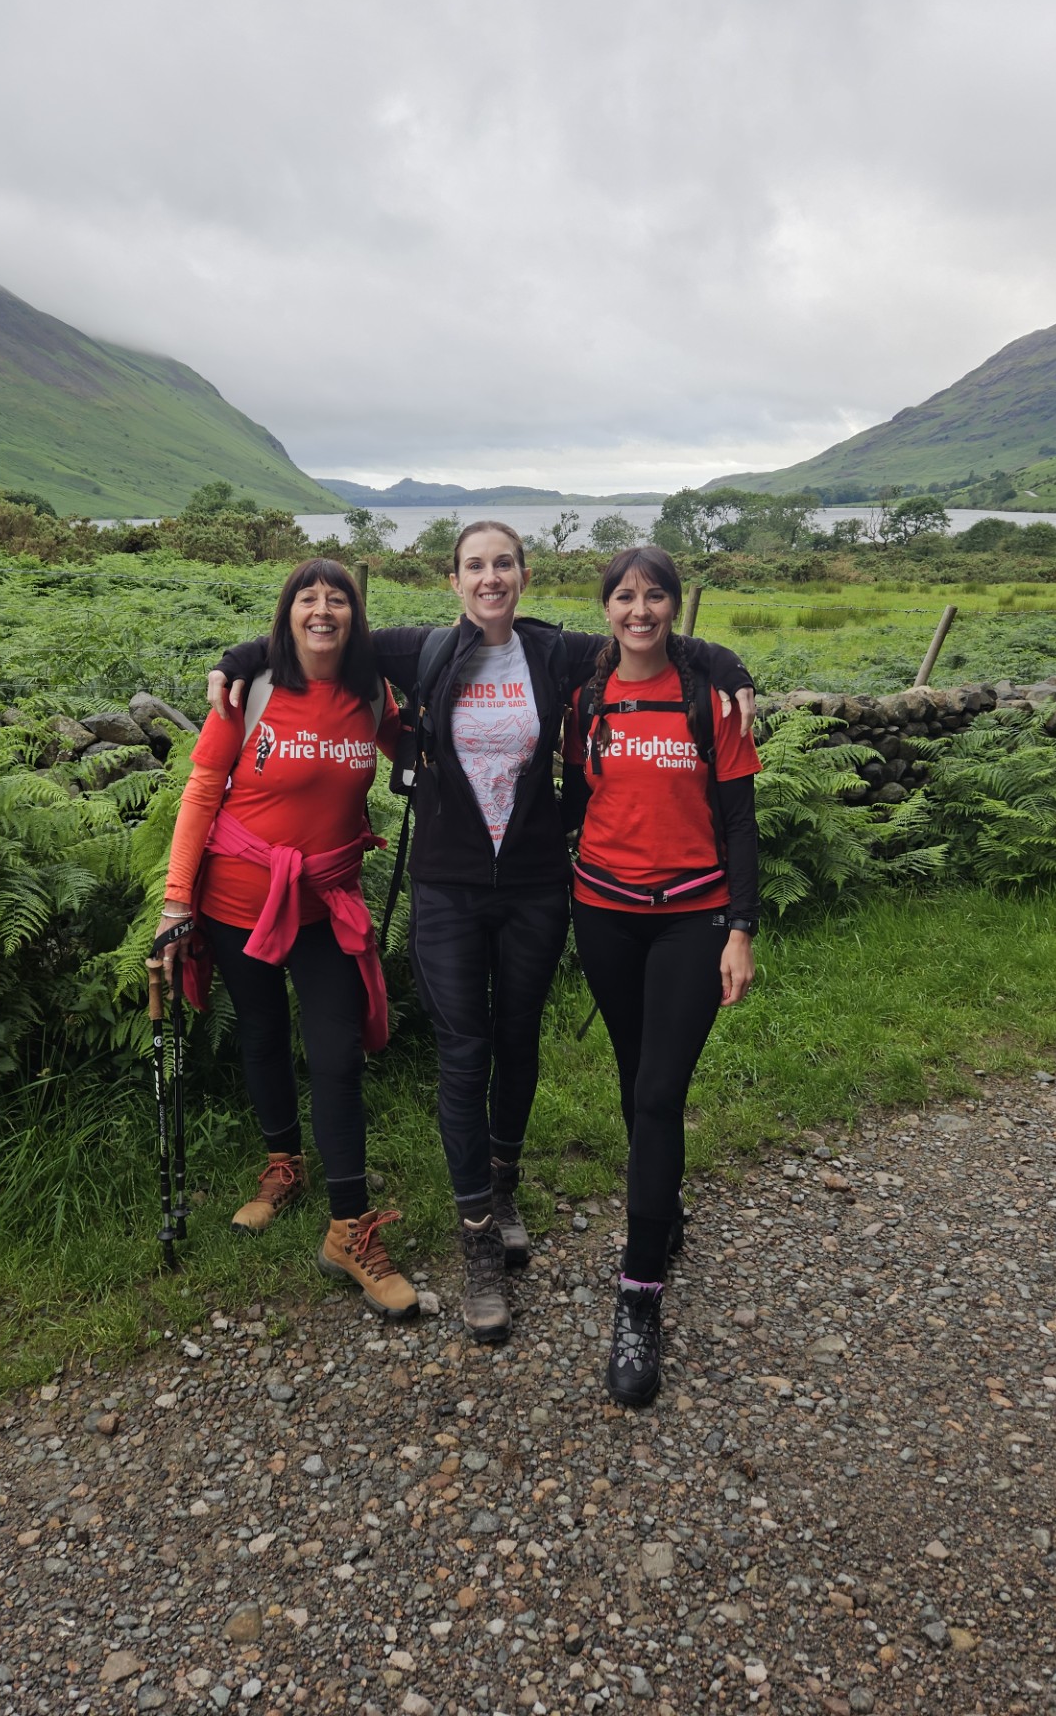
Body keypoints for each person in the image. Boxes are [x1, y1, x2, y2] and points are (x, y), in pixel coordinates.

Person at [209, 521, 755, 1345]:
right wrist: (237, 660)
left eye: (503, 564)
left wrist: (733, 668)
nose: (490, 577)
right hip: (448, 887)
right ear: (453, 580)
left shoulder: (558, 654)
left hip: (536, 885)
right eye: (474, 566)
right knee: (464, 1049)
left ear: (524, 576)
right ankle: (476, 1244)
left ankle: (503, 1186)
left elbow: (650, 633)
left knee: (518, 1038)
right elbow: (318, 632)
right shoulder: (420, 650)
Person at [151, 557, 417, 1320]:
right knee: (262, 1031)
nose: (325, 608)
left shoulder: (371, 691)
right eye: (310, 597)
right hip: (237, 894)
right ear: (288, 612)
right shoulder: (251, 688)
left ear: (354, 614)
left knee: (335, 1054)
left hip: (325, 901)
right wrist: (176, 902)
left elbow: (412, 752)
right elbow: (203, 789)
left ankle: (348, 1230)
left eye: (339, 598)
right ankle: (281, 1167)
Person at [562, 546, 761, 1407]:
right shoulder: (586, 698)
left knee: (656, 1094)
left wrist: (741, 929)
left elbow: (743, 823)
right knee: (632, 1074)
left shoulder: (711, 696)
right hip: (602, 910)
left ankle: (639, 1301)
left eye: (655, 597)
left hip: (693, 916)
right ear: (605, 608)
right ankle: (663, 1205)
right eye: (624, 597)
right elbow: (575, 803)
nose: (639, 610)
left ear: (675, 606)